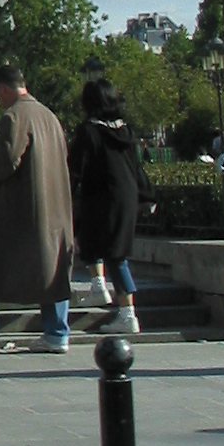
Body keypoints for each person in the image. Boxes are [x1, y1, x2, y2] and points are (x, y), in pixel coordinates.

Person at [0, 62, 74, 354]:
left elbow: (8, 160)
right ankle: (57, 331)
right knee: (53, 267)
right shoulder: (49, 116)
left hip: (20, 203)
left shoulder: (14, 116)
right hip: (55, 203)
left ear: (5, 89)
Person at [69, 78, 144, 333]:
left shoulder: (88, 131)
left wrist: (65, 192)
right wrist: (147, 195)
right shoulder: (125, 130)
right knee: (101, 244)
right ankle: (99, 286)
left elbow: (75, 168)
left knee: (113, 254)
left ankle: (127, 313)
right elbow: (136, 166)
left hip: (99, 196)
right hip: (125, 195)